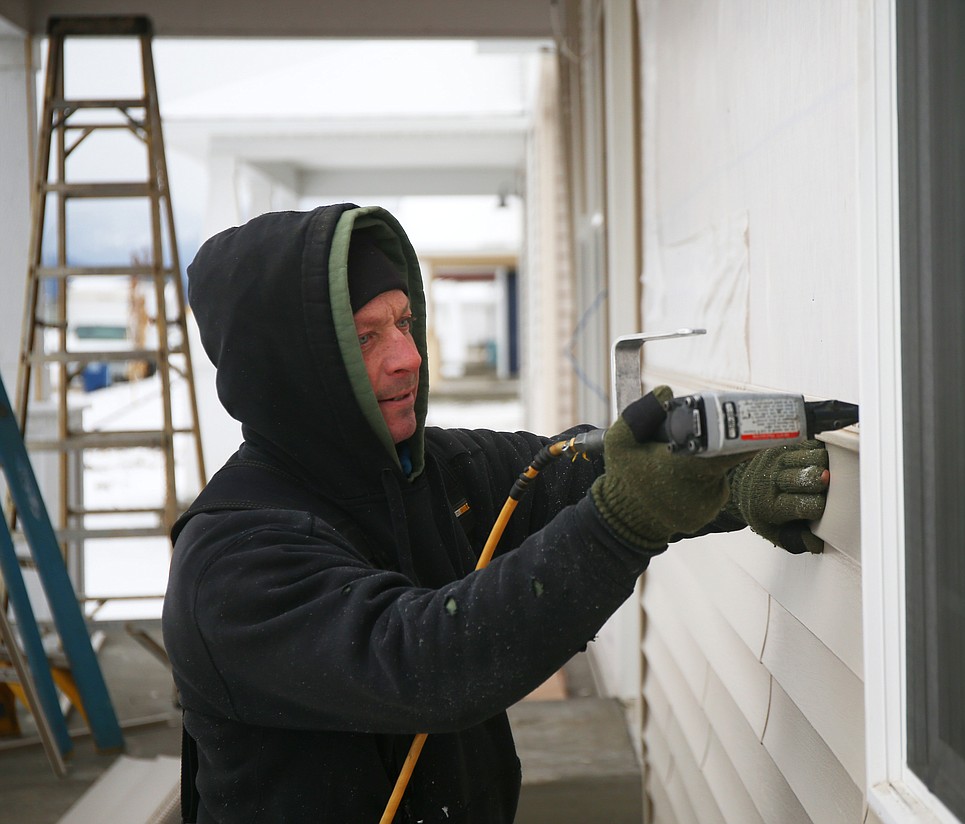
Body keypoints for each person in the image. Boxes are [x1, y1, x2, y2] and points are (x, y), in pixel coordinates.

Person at [162, 203, 830, 823]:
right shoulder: (232, 562)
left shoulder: (427, 472)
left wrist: (734, 478)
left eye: (403, 321)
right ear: (291, 371)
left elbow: (572, 478)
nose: (409, 357)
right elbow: (426, 662)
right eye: (367, 337)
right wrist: (625, 520)